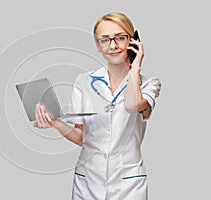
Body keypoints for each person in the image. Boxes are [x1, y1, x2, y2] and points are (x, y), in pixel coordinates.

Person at [34, 12, 161, 200]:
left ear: (133, 41)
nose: (113, 46)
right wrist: (56, 123)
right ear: (97, 46)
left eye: (120, 38)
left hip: (128, 184)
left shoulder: (149, 84)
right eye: (105, 40)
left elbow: (132, 105)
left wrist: (135, 66)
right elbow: (81, 137)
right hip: (88, 181)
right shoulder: (84, 81)